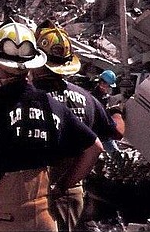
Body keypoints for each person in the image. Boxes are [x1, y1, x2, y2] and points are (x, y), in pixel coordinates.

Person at [0, 22, 103, 231]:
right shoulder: (51, 105)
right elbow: (94, 147)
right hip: (43, 218)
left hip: (0, 218)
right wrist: (62, 186)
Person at [32, 21, 121, 231]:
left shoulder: (26, 98)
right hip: (69, 192)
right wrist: (117, 112)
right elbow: (114, 132)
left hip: (31, 191)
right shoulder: (87, 99)